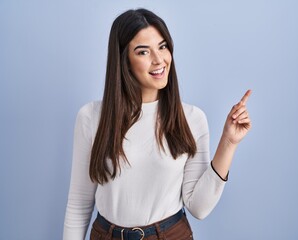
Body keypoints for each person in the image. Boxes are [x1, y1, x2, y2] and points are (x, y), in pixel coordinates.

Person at [63, 8, 252, 240]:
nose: (158, 60)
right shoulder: (91, 117)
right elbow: (79, 206)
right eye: (143, 52)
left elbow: (199, 207)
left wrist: (229, 143)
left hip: (170, 235)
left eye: (163, 47)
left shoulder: (192, 119)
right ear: (124, 60)